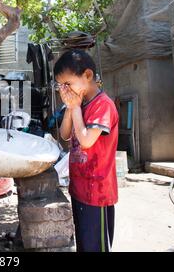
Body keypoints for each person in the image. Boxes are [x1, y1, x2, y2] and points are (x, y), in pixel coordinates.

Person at [54, 49, 119, 252]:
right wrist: (70, 108)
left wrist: (74, 108)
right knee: (84, 243)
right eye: (61, 86)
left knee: (95, 246)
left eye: (68, 84)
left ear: (88, 75)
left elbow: (86, 140)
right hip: (79, 187)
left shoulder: (103, 105)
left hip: (97, 193)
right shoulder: (78, 103)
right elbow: (64, 135)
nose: (65, 90)